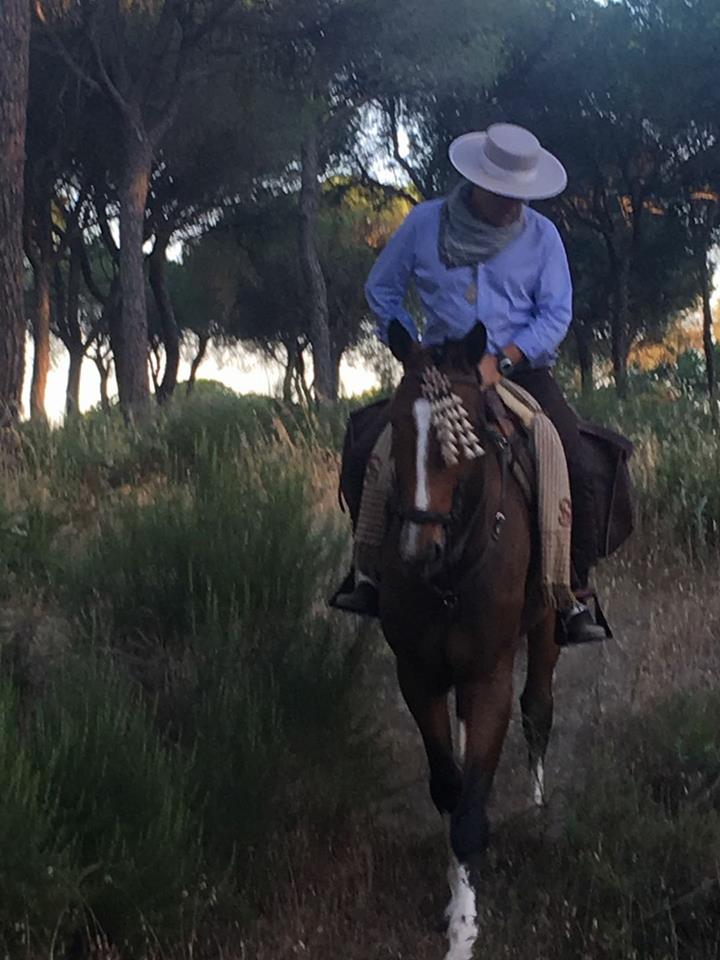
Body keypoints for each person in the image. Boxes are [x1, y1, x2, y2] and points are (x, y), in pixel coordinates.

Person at [333, 123, 606, 645]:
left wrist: (502, 359)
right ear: (478, 182)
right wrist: (410, 349)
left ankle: (572, 589)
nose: (512, 205)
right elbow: (381, 289)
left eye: (521, 195)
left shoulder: (542, 236)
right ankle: (369, 571)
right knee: (373, 446)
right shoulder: (424, 223)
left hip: (522, 369)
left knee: (572, 456)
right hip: (440, 368)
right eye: (503, 194)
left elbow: (555, 313)